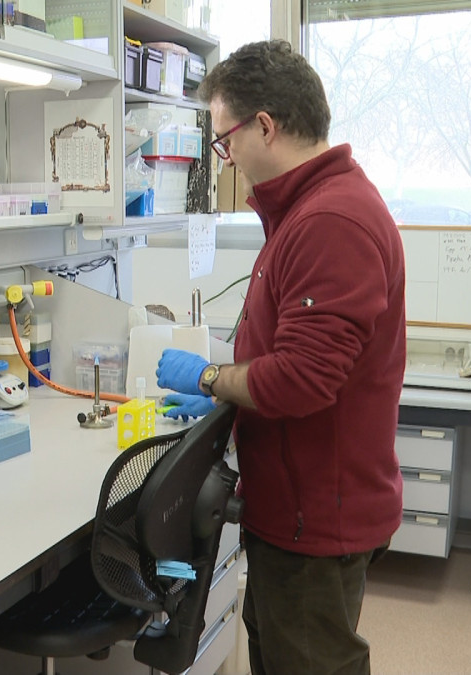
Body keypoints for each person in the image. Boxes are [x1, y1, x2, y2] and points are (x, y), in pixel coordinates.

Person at [154, 40, 405, 674]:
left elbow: (301, 379)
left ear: (265, 125)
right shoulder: (305, 211)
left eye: (225, 140)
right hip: (294, 510)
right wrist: (225, 395)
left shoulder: (330, 221)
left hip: (314, 518)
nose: (226, 156)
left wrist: (211, 377)